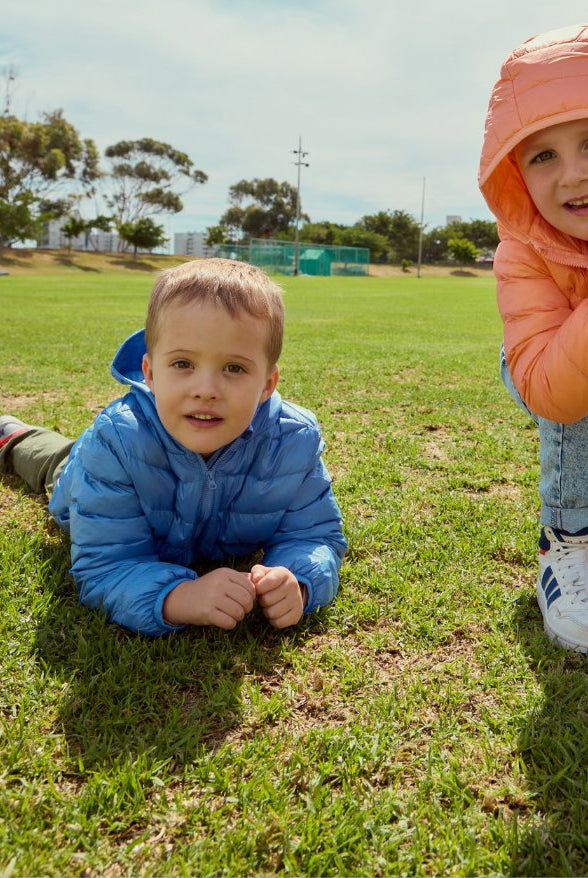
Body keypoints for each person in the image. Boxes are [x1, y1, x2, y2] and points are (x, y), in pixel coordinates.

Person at [0, 258, 346, 637]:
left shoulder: (293, 440)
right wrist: (179, 597)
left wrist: (298, 581)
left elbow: (315, 536)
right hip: (82, 473)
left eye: (234, 368)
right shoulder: (115, 443)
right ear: (150, 373)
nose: (205, 389)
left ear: (267, 383)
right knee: (53, 462)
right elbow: (106, 567)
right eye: (183, 363)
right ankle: (15, 434)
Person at [479, 23, 588, 651]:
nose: (572, 174)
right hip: (544, 365)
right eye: (542, 155)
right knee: (578, 405)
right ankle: (568, 538)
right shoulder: (522, 252)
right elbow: (551, 387)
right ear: (516, 174)